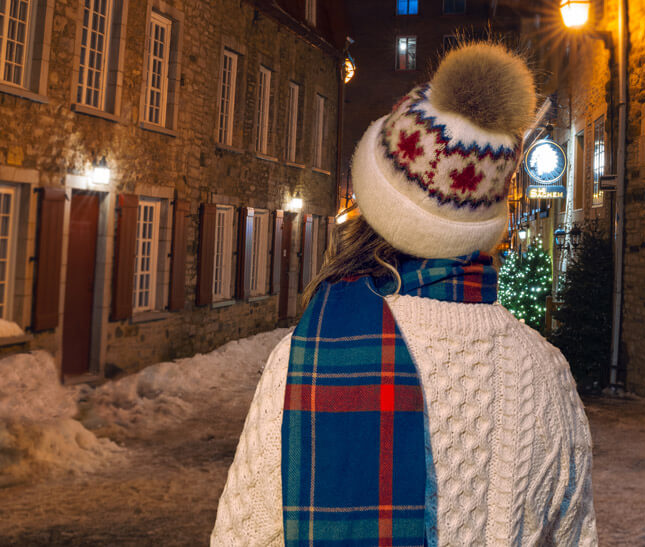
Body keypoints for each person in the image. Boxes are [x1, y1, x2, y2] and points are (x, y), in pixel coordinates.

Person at [211, 41, 598, 546]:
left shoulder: (305, 358)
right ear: (484, 221)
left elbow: (241, 537)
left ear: (374, 205)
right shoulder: (545, 373)